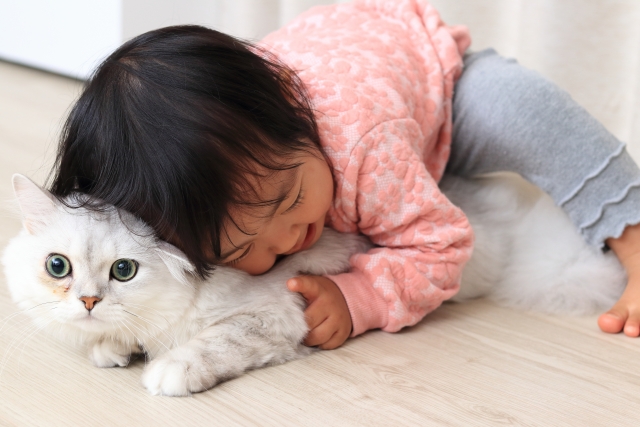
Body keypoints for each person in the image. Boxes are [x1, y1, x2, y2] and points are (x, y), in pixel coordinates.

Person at [49, 0, 640, 350]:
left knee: (523, 109)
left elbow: (442, 244)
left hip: (433, 76)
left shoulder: (365, 155)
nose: (288, 240)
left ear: (293, 115)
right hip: (340, 50)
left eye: (290, 199)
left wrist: (362, 297)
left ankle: (633, 234)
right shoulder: (237, 166)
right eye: (242, 247)